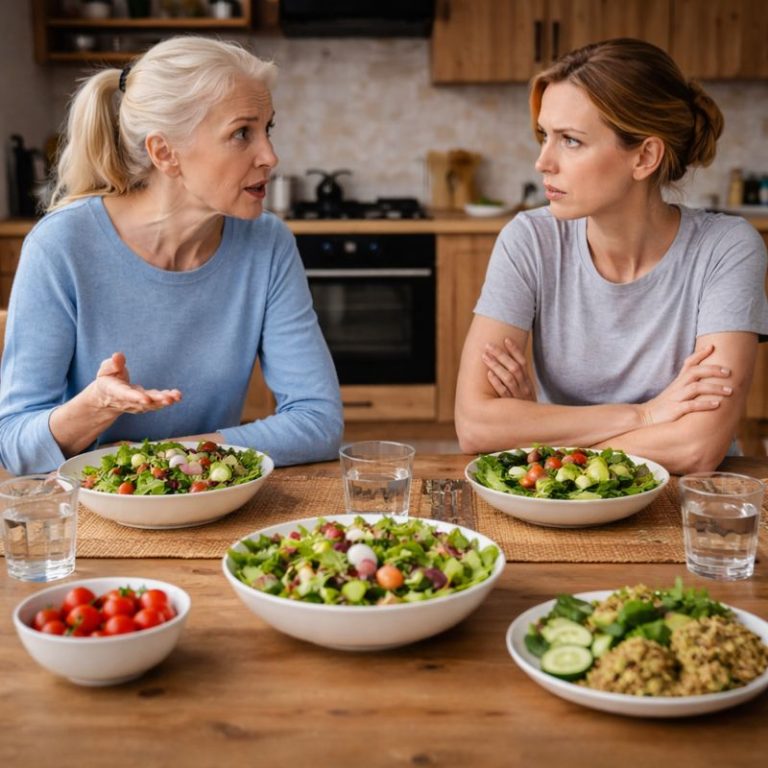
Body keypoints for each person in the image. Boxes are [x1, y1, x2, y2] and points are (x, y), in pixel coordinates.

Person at [0, 36, 343, 475]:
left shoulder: (267, 243)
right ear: (165, 153)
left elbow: (319, 421)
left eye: (267, 129)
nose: (270, 156)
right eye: (242, 133)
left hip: (213, 501)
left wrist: (172, 459)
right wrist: (95, 406)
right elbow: (14, 446)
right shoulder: (61, 247)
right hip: (91, 517)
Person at [455, 38, 768, 475]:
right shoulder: (529, 240)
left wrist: (537, 435)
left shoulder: (727, 249)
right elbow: (474, 425)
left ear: (644, 156)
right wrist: (643, 416)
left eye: (571, 141)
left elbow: (696, 448)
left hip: (683, 502)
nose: (542, 162)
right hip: (559, 498)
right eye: (545, 136)